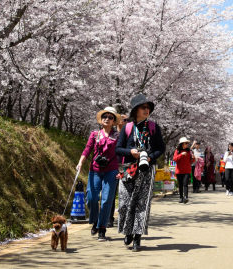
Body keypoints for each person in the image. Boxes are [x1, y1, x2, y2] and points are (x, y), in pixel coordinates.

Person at [115, 93, 165, 252]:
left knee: (142, 205)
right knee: (124, 203)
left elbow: (160, 148)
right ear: (136, 109)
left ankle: (137, 237)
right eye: (143, 107)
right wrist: (131, 152)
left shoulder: (153, 127)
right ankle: (127, 231)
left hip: (146, 170)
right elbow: (118, 148)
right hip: (128, 170)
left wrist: (149, 157)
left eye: (148, 107)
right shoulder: (128, 127)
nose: (147, 110)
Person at [76, 106, 120, 241]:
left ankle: (102, 228)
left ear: (114, 121)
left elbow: (121, 154)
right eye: (104, 117)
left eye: (110, 117)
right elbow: (87, 149)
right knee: (91, 198)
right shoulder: (94, 134)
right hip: (95, 170)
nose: (107, 119)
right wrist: (80, 162)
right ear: (101, 120)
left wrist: (121, 170)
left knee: (107, 200)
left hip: (111, 171)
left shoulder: (118, 136)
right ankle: (95, 221)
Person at [173, 136, 194, 204]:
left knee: (185, 184)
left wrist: (193, 158)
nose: (187, 144)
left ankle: (186, 197)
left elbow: (191, 161)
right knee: (180, 184)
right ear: (182, 144)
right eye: (186, 143)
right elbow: (175, 159)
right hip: (179, 171)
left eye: (187, 143)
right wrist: (181, 154)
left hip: (187, 170)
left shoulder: (189, 151)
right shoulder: (177, 151)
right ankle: (181, 197)